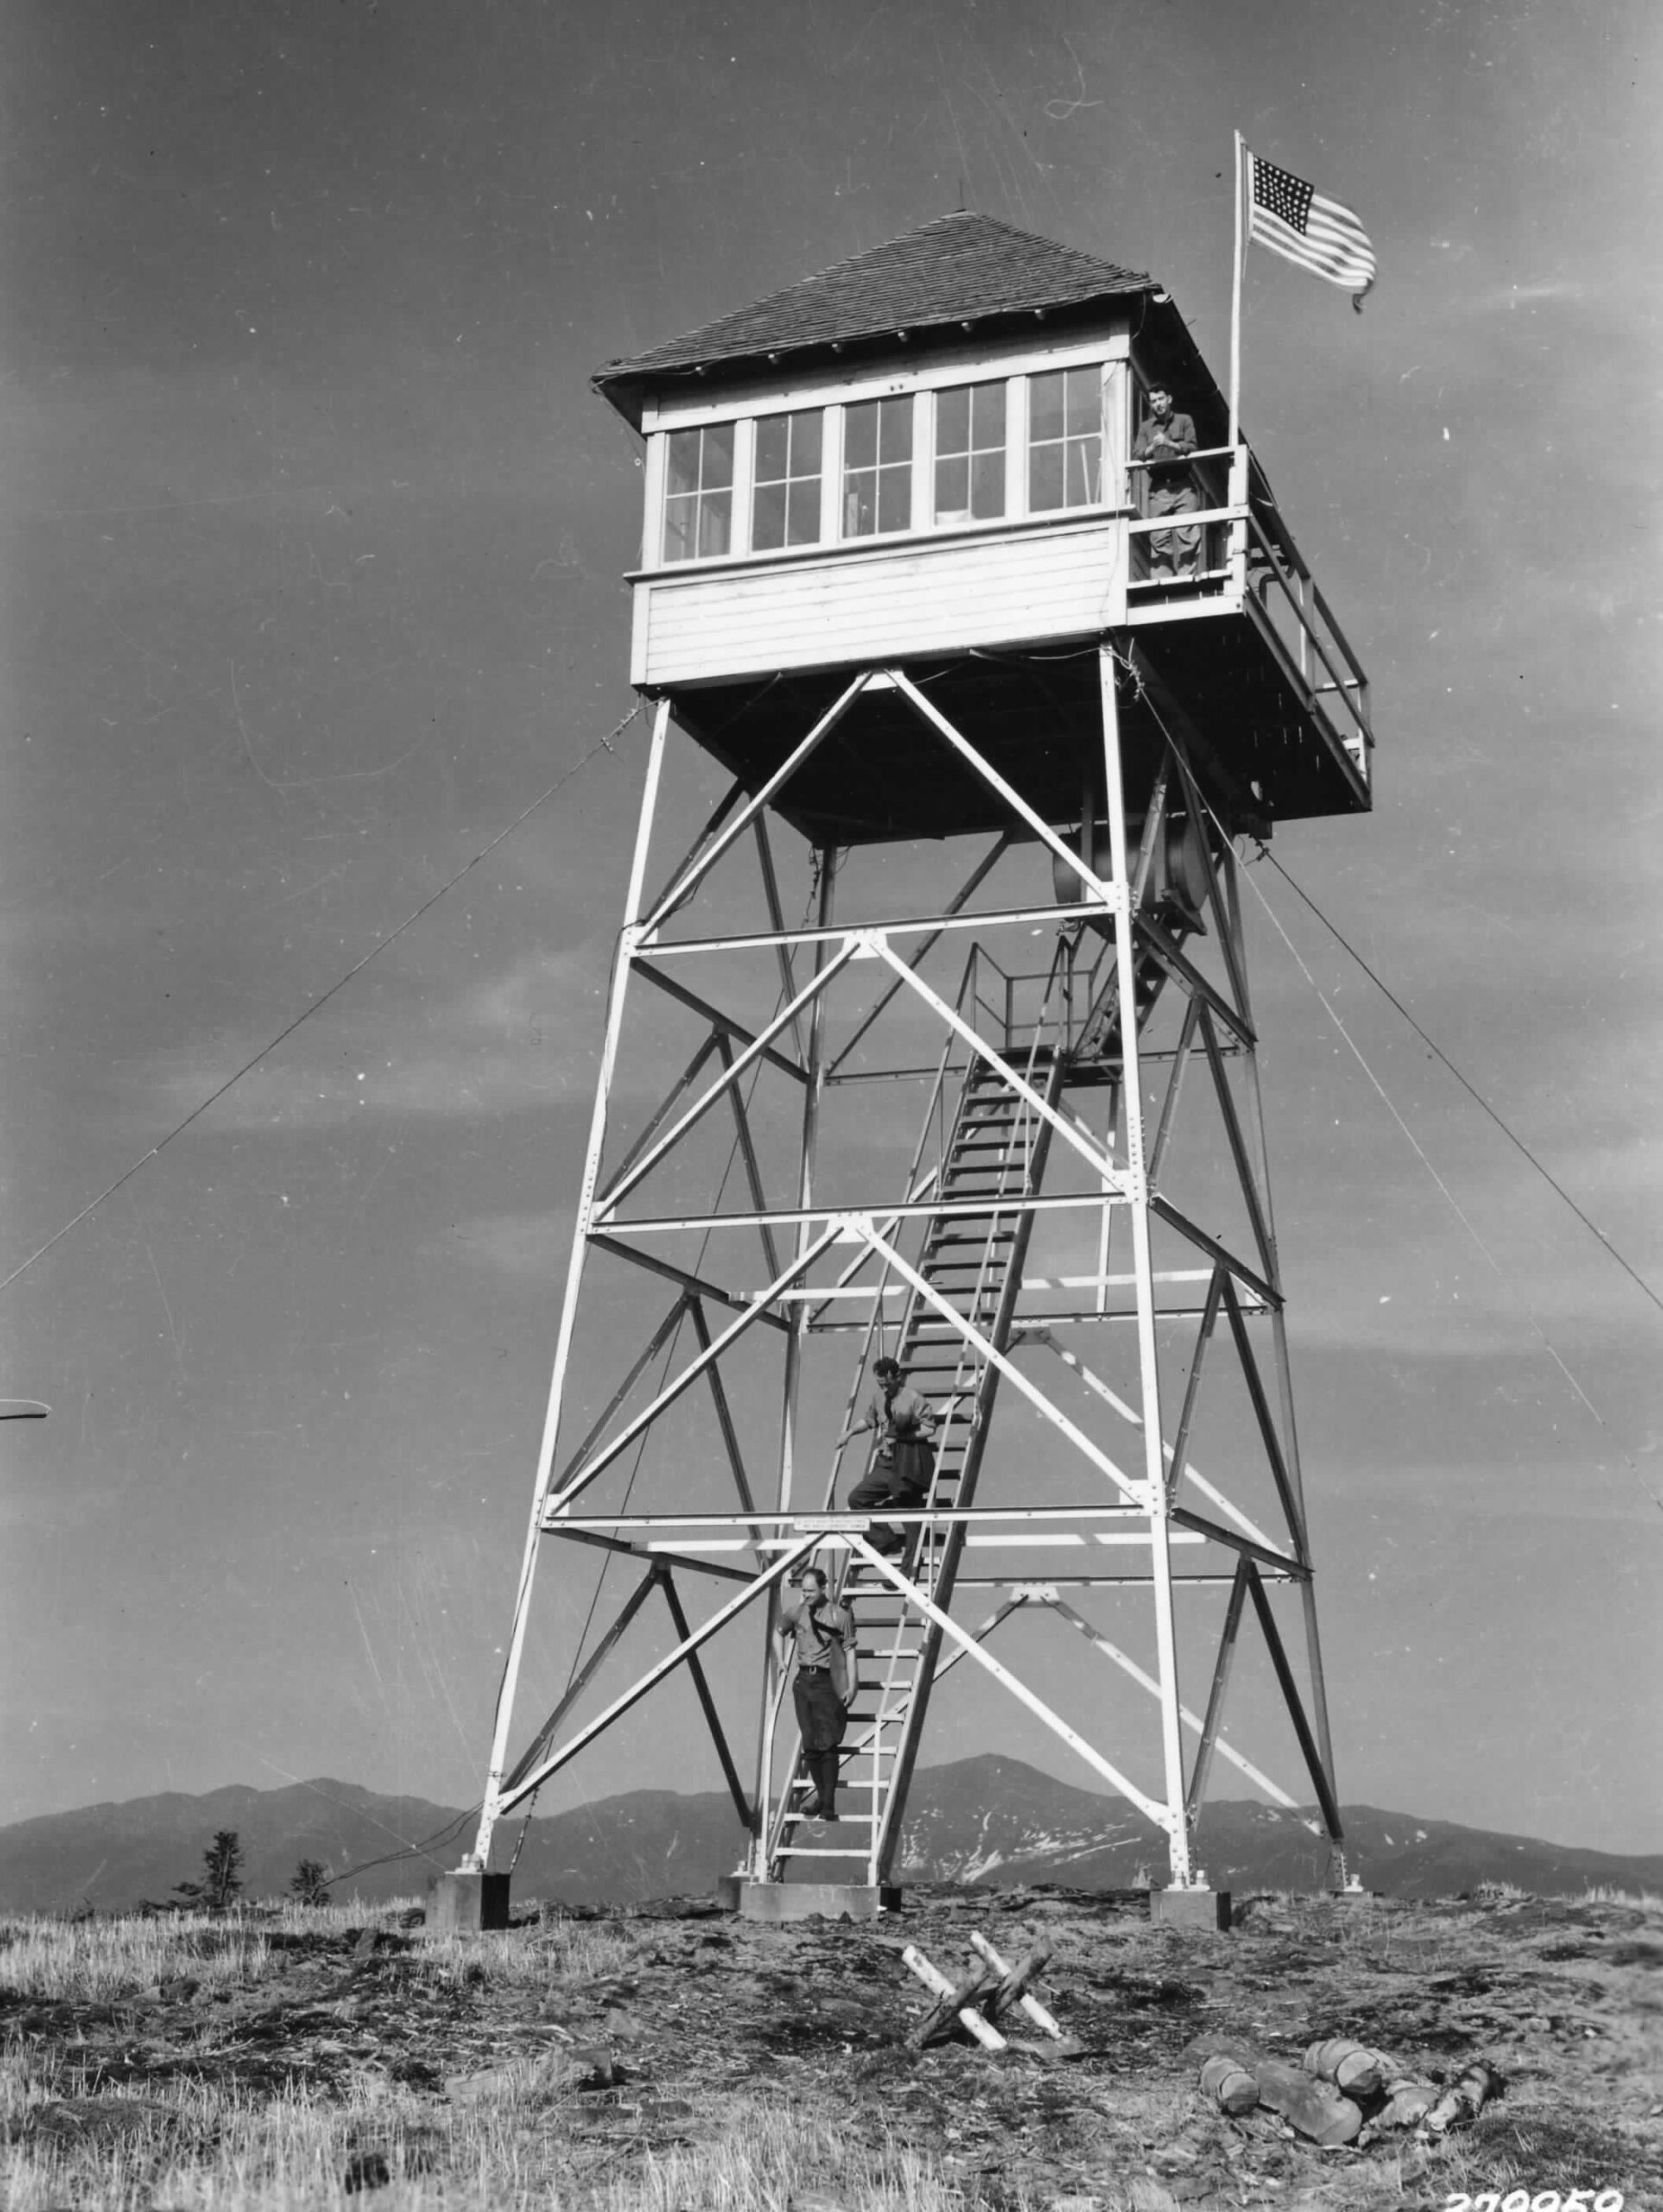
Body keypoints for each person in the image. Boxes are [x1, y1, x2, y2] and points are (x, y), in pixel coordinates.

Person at [777, 1565, 856, 1821]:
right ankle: (821, 1800)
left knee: (828, 1744)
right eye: (804, 1591)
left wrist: (852, 1685)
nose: (807, 1595)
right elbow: (778, 1631)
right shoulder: (797, 1613)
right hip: (804, 1681)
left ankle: (828, 1804)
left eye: (811, 1591)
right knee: (810, 1744)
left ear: (823, 1589)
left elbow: (850, 1652)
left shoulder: (839, 1615)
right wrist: (781, 1661)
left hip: (827, 1680)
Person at [841, 1356, 939, 1555]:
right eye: (880, 1385)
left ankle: (909, 1569)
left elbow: (929, 1429)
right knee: (857, 1499)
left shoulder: (913, 1398)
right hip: (886, 1463)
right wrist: (849, 1433)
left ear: (897, 1377)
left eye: (886, 1385)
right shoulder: (879, 1397)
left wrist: (903, 1436)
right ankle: (885, 1541)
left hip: (906, 1465)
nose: (884, 1389)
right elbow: (869, 1421)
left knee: (911, 1523)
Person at [1132, 385, 1200, 580]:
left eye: (1161, 399)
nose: (1158, 404)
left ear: (1169, 399)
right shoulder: (1146, 428)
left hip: (1183, 486)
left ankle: (1188, 579)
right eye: (1153, 401)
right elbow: (1138, 455)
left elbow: (1192, 446)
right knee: (1160, 538)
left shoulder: (1184, 420)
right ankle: (1163, 583)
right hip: (1159, 488)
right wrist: (1153, 446)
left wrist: (1169, 443)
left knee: (1187, 534)